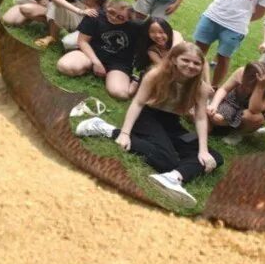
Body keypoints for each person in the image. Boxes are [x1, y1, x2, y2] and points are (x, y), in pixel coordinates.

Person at [75, 43, 222, 206]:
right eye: (185, 60)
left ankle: (173, 177)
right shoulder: (156, 75)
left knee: (215, 157)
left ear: (202, 66)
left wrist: (203, 150)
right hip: (146, 116)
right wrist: (124, 133)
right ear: (173, 59)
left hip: (171, 122)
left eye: (196, 63)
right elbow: (137, 103)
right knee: (166, 159)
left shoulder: (200, 87)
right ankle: (106, 129)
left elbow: (201, 117)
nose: (191, 66)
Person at [57, 0, 142, 100]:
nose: (114, 18)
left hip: (118, 63)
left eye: (120, 17)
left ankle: (134, 81)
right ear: (107, 8)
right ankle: (89, 67)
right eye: (111, 12)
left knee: (120, 94)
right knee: (64, 67)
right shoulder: (95, 16)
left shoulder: (135, 27)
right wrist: (96, 62)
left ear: (128, 19)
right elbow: (82, 41)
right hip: (91, 53)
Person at [34, 0, 113, 49]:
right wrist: (80, 11)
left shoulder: (106, 6)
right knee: (55, 4)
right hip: (73, 17)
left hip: (85, 28)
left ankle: (79, 47)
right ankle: (52, 37)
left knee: (68, 43)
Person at [207, 61, 265, 140]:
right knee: (217, 118)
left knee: (255, 118)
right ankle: (227, 124)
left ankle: (238, 133)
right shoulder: (242, 72)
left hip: (249, 112)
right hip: (232, 103)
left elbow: (254, 110)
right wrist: (214, 105)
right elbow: (224, 89)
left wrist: (260, 88)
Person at [131, 17, 176, 88]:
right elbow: (163, 67)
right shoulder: (152, 50)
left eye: (161, 32)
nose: (157, 36)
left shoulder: (176, 39)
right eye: (152, 32)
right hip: (161, 75)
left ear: (168, 31)